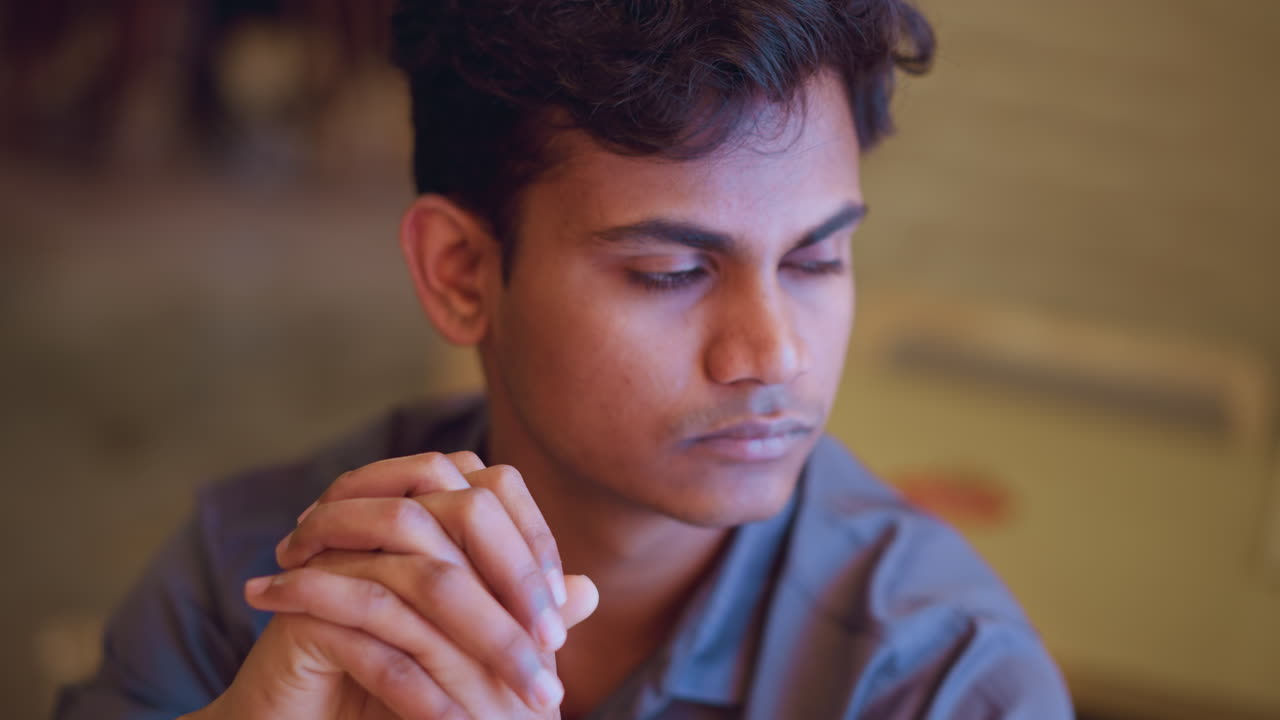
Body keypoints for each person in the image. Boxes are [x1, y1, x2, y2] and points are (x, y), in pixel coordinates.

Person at [56, 1, 1076, 718]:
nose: (773, 351)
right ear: (461, 272)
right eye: (673, 271)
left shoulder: (944, 683)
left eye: (815, 259)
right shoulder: (259, 579)